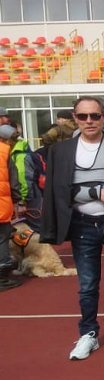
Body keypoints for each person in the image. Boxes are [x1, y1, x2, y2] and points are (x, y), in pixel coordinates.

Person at [40, 96, 104, 360]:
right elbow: (58, 191)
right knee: (87, 285)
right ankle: (88, 333)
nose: (89, 121)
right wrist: (96, 191)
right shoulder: (60, 151)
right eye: (83, 116)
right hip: (82, 225)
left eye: (95, 116)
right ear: (75, 118)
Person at [0, 124, 22, 291]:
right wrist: (18, 200)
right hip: (2, 204)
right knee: (2, 238)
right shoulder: (5, 152)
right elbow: (14, 181)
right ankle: (2, 276)